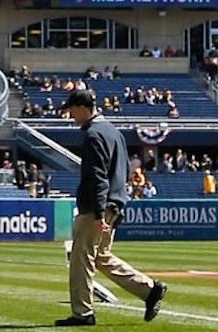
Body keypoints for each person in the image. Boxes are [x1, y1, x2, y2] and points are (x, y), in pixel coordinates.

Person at [55, 88, 167, 326]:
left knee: (81, 258)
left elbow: (97, 177)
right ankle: (149, 290)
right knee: (101, 256)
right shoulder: (113, 132)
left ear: (83, 108)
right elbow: (124, 170)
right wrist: (117, 205)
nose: (71, 116)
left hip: (98, 207)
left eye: (72, 110)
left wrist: (98, 213)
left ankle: (82, 313)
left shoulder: (93, 134)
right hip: (114, 203)